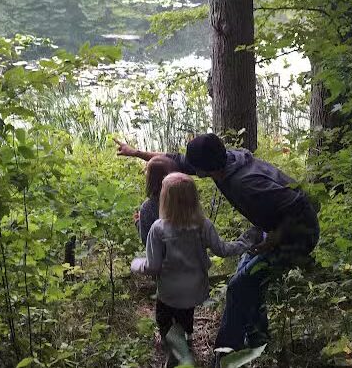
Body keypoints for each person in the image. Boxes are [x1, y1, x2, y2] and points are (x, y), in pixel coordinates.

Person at [116, 134, 320, 361]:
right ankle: (258, 341)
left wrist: (276, 237)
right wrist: (135, 153)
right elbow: (173, 160)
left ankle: (224, 357)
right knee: (248, 280)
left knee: (239, 286)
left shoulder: (247, 182)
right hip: (272, 228)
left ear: (203, 171)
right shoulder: (225, 160)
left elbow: (305, 204)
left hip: (297, 235)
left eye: (194, 168)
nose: (188, 169)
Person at [130, 172, 255, 368]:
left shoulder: (158, 229)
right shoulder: (203, 224)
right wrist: (245, 241)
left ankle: (175, 350)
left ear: (165, 199)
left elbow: (152, 266)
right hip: (195, 290)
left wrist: (136, 264)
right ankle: (186, 339)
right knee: (185, 313)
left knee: (164, 320)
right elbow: (222, 250)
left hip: (169, 292)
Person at [133, 155, 178, 247]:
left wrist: (138, 223)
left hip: (165, 259)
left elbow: (147, 241)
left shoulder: (147, 207)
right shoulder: (186, 198)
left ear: (150, 180)